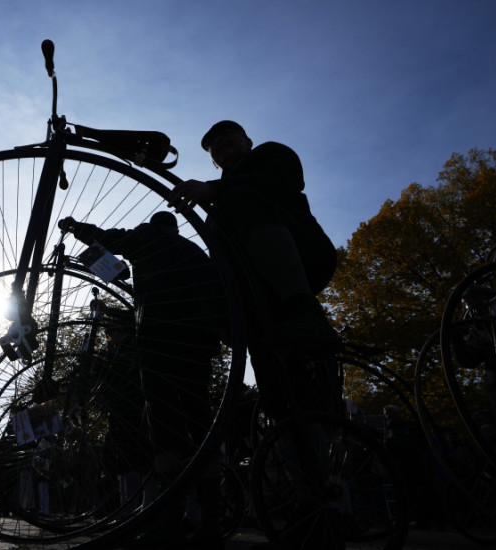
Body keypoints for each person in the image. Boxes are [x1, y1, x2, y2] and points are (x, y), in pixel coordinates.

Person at [169, 121, 343, 549]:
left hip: (300, 262)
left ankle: (338, 507)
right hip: (261, 307)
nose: (221, 146)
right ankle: (313, 505)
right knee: (283, 402)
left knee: (313, 400)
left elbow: (274, 180)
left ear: (247, 140)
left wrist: (215, 188)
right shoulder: (224, 198)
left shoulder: (268, 158)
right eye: (212, 146)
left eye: (228, 137)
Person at [58, 211, 224, 549]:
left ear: (154, 226)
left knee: (164, 428)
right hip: (198, 346)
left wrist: (77, 229)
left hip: (159, 344)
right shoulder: (196, 253)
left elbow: (109, 238)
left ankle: (169, 521)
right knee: (200, 423)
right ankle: (211, 521)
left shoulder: (148, 238)